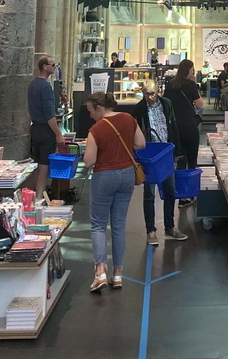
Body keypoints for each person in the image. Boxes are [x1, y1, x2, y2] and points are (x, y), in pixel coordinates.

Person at [83, 90, 146, 291]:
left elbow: (89, 161)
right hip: (127, 174)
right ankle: (117, 274)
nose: (90, 115)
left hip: (104, 177)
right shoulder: (128, 119)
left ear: (99, 108)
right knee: (118, 225)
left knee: (98, 225)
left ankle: (100, 271)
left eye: (91, 111)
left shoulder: (96, 130)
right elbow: (141, 143)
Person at [130, 81, 187, 244]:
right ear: (143, 93)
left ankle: (170, 227)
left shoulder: (167, 104)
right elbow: (134, 130)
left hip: (166, 152)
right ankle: (150, 231)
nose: (150, 97)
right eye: (147, 94)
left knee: (170, 190)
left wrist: (177, 152)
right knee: (149, 193)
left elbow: (173, 126)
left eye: (153, 93)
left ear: (158, 92)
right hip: (149, 153)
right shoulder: (140, 108)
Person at [164, 59, 203, 202]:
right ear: (189, 70)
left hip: (175, 128)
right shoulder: (191, 85)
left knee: (180, 160)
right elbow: (200, 104)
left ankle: (180, 195)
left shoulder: (170, 85)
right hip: (190, 126)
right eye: (192, 70)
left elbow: (165, 104)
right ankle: (191, 193)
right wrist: (195, 83)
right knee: (192, 160)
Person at [27, 56, 65, 199]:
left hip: (35, 128)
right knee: (44, 165)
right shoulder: (45, 87)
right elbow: (49, 115)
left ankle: (32, 194)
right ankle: (38, 197)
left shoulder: (32, 84)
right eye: (52, 65)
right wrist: (58, 133)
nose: (54, 67)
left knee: (37, 163)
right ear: (44, 67)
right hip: (44, 129)